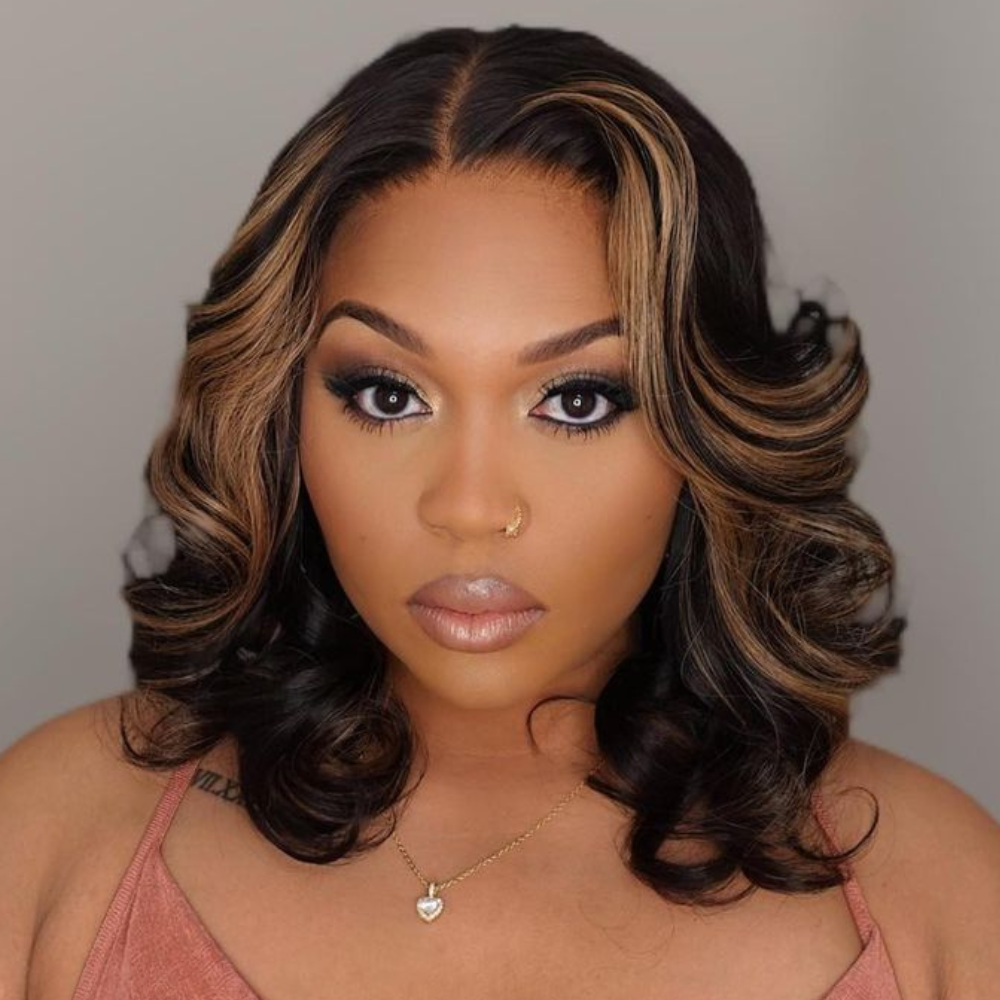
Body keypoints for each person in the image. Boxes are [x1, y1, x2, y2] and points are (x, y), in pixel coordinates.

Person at [3, 23, 999, 1000]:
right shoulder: (55, 832)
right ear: (279, 407)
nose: (470, 509)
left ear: (709, 432)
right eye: (389, 394)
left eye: (578, 401)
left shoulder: (940, 898)